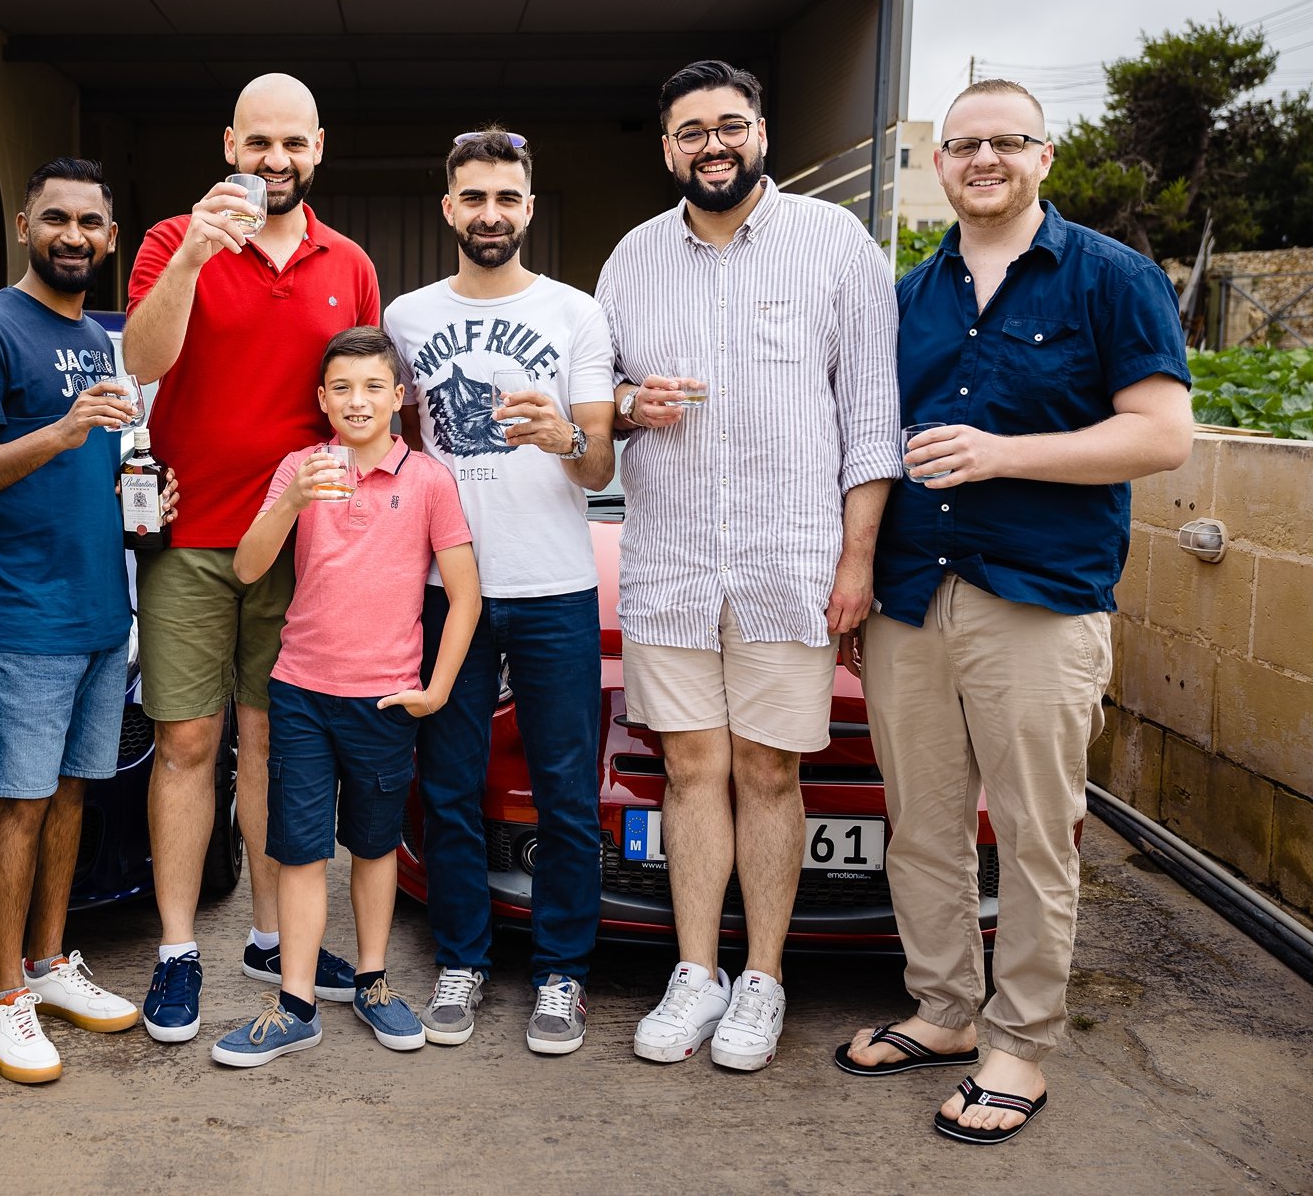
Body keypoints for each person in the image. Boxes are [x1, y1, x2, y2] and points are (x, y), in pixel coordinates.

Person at [834, 78, 1192, 1144]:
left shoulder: (1109, 279)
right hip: (909, 595)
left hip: (1034, 598)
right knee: (924, 829)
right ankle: (942, 1011)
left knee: (1035, 837)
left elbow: (1159, 435)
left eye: (1004, 142)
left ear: (1043, 156)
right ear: (936, 165)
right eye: (960, 145)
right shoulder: (906, 294)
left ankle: (1017, 1044)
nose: (980, 159)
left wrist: (1002, 456)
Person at [599, 59, 901, 1072]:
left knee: (769, 771)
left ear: (760, 132)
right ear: (666, 149)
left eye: (728, 125)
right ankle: (694, 975)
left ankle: (761, 979)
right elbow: (596, 409)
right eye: (690, 131)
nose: (711, 144)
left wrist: (853, 563)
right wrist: (628, 407)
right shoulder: (630, 261)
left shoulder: (835, 245)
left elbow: (869, 422)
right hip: (669, 566)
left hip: (789, 565)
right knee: (688, 771)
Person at [123, 73, 382, 1042]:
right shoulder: (168, 239)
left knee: (274, 745)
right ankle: (178, 951)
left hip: (303, 546)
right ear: (229, 143)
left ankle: (272, 937)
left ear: (318, 148)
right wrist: (194, 251)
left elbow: (361, 400)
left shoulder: (346, 262)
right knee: (190, 745)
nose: (275, 161)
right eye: (257, 143)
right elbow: (142, 363)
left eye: (294, 145)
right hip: (190, 539)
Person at [382, 129, 617, 1054]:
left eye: (506, 198)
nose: (490, 213)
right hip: (449, 586)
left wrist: (560, 433)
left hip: (557, 583)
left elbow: (598, 460)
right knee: (448, 785)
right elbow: (393, 443)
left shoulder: (576, 313)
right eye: (473, 197)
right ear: (450, 208)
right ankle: (462, 957)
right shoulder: (408, 316)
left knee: (565, 790)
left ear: (528, 205)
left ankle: (562, 973)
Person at [0, 159, 156, 1085]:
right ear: (25, 225)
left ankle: (49, 963)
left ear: (109, 237)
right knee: (20, 803)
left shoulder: (101, 341)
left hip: (105, 607)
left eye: (92, 223)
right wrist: (64, 431)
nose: (74, 235)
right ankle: (2, 995)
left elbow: (96, 469)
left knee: (72, 792)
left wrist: (142, 495)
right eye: (56, 218)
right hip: (26, 613)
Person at [209, 327, 479, 1067]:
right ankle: (295, 1002)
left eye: (372, 387)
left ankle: (373, 981)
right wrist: (291, 498)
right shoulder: (300, 466)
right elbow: (247, 565)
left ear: (399, 397)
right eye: (341, 388)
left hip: (385, 700)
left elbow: (464, 596)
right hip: (300, 691)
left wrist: (436, 689)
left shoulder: (426, 480)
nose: (356, 401)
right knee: (298, 850)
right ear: (321, 399)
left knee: (373, 843)